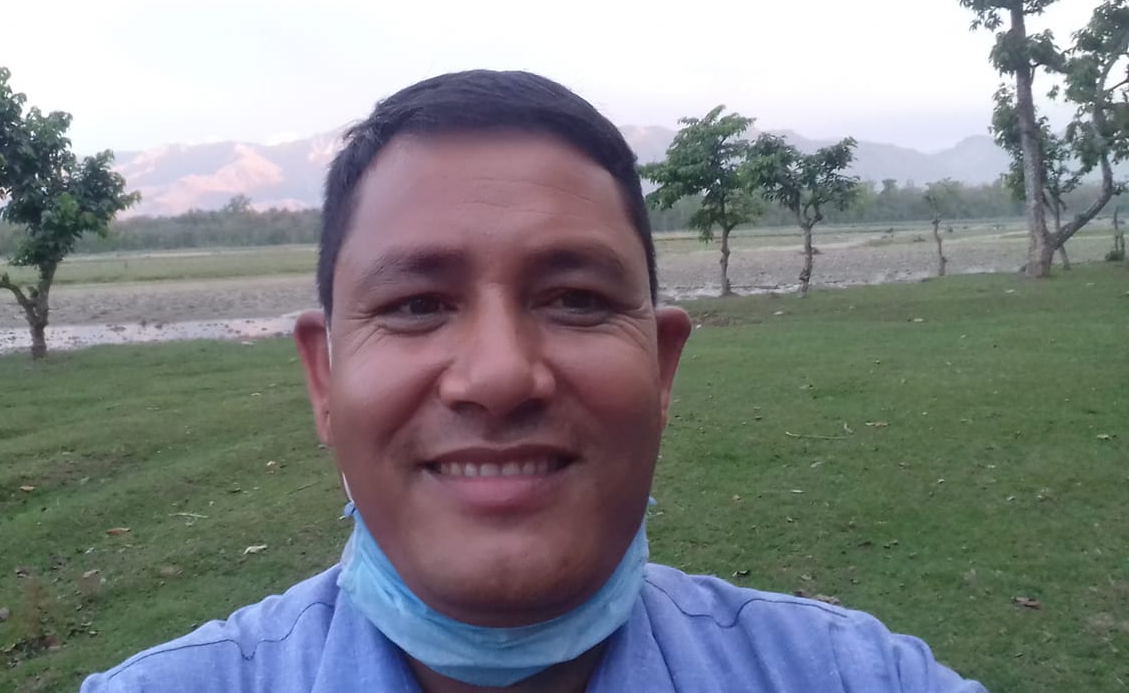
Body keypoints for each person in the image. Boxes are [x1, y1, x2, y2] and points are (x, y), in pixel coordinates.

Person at [81, 70, 988, 692]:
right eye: (416, 305)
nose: (500, 375)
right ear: (324, 377)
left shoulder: (848, 676)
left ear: (662, 366)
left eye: (577, 300)